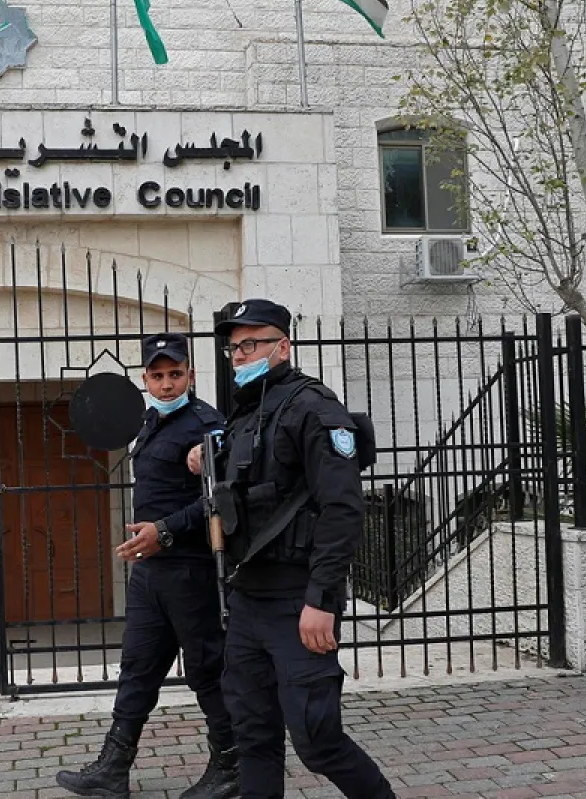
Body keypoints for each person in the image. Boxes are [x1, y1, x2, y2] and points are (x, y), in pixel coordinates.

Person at [186, 299, 396, 799]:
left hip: (297, 601)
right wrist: (206, 454)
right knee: (253, 737)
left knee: (317, 738)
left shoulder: (315, 408)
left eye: (251, 344)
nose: (240, 354)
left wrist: (321, 600)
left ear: (283, 345)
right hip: (246, 601)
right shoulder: (243, 416)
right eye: (234, 347)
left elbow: (343, 510)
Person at [56, 332, 239, 799]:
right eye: (157, 376)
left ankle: (231, 766)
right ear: (145, 381)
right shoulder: (151, 421)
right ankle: (112, 770)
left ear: (190, 376)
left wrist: (164, 532)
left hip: (190, 569)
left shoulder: (208, 426)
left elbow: (217, 501)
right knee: (137, 668)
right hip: (151, 573)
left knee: (206, 669)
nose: (166, 384)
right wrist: (152, 540)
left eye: (175, 374)